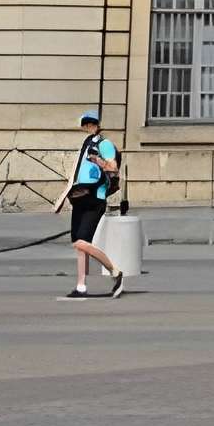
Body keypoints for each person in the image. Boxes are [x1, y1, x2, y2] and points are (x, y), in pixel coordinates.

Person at [66, 110, 126, 299]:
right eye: (85, 125)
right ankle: (81, 285)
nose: (86, 127)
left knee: (83, 242)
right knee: (78, 244)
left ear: (94, 124)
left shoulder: (104, 143)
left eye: (88, 124)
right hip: (80, 196)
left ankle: (115, 271)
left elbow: (113, 168)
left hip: (95, 198)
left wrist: (97, 160)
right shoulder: (86, 143)